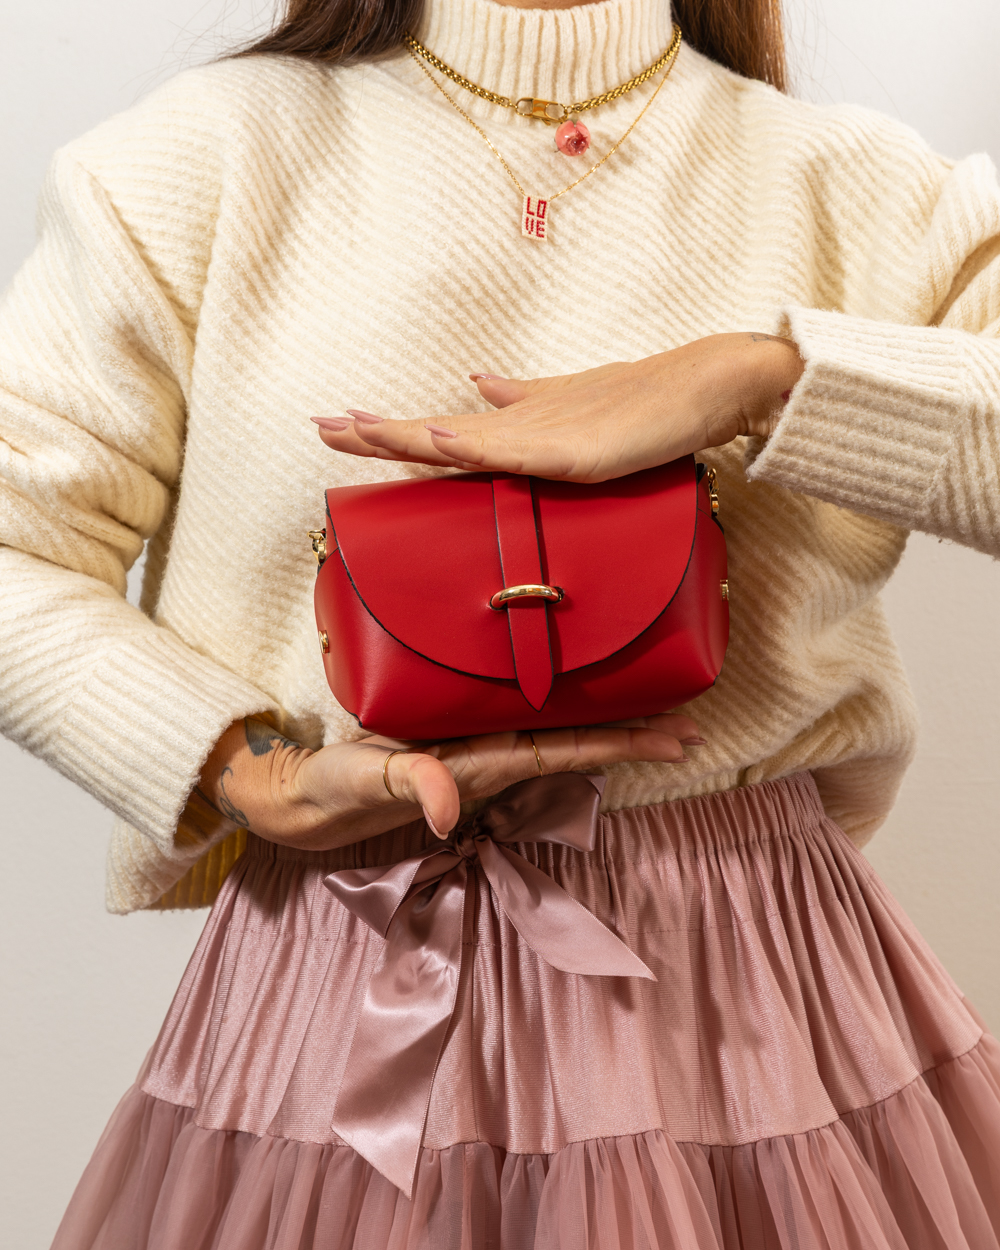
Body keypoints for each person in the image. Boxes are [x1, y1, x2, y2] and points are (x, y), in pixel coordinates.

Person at [3, 0, 1000, 1242]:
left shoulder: (852, 181)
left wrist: (760, 377)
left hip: (754, 979)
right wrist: (247, 771)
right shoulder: (198, 159)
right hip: (341, 958)